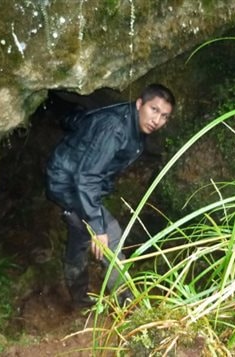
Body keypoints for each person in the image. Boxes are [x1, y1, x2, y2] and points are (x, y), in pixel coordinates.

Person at [45, 83, 175, 307]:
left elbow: (81, 122)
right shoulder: (115, 129)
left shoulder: (132, 122)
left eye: (164, 116)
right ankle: (129, 306)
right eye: (154, 110)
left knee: (79, 236)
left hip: (72, 178)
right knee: (110, 234)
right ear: (139, 104)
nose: (157, 120)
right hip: (67, 182)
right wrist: (97, 224)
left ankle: (79, 298)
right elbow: (86, 177)